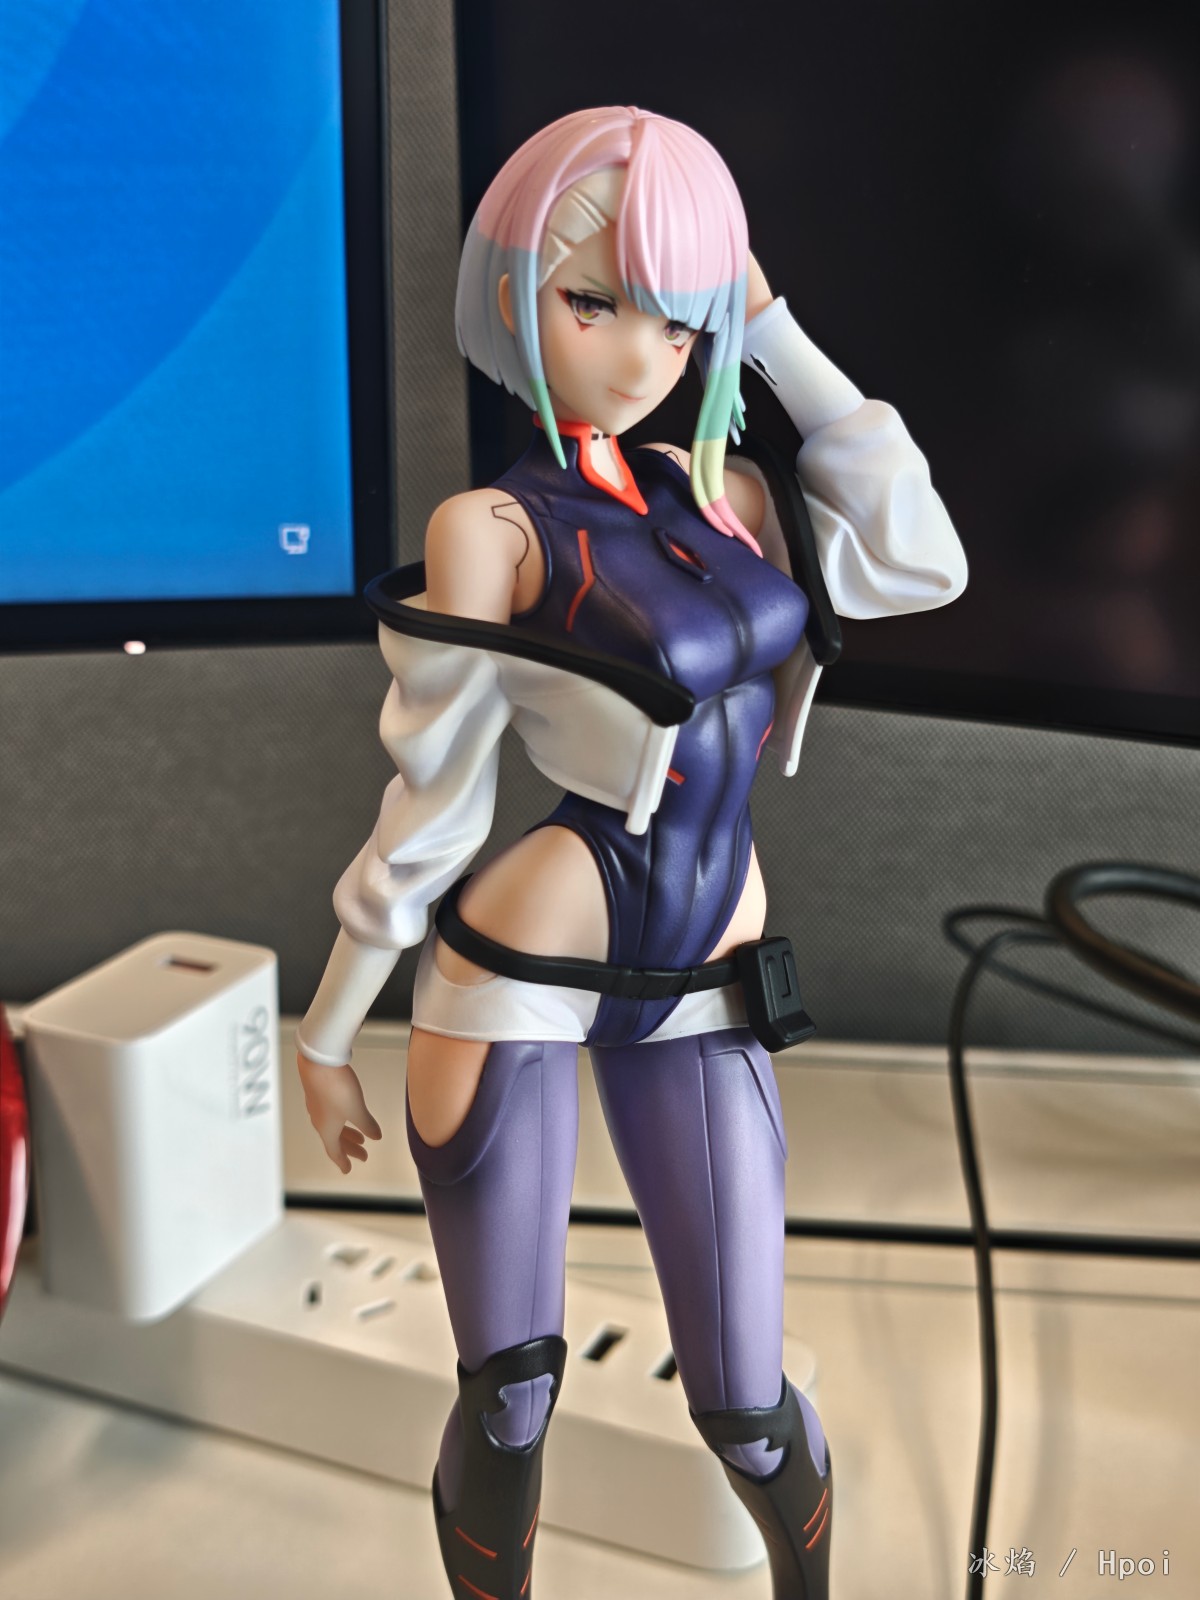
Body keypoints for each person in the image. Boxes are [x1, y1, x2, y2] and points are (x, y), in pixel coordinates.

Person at [295, 107, 967, 1600]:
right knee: (511, 1396)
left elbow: (924, 561)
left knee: (746, 1404)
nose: (641, 350)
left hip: (708, 965)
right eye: (593, 300)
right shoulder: (491, 529)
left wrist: (770, 329)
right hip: (525, 963)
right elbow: (438, 797)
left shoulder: (721, 493)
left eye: (679, 313)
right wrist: (331, 1029)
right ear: (514, 294)